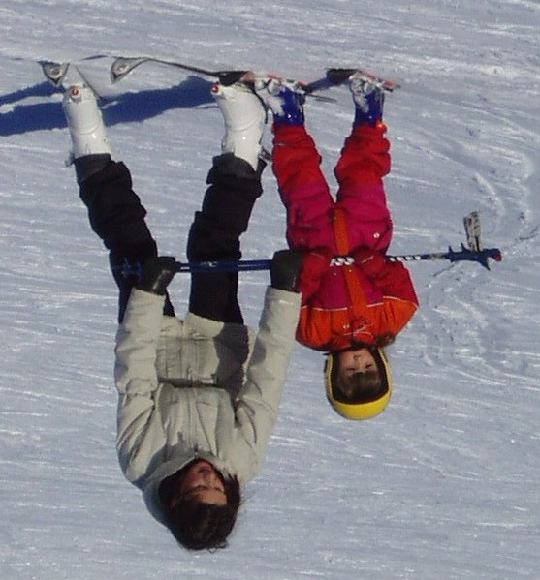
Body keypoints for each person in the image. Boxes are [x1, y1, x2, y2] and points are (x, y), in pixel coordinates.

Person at [61, 74, 302, 550]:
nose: (208, 475)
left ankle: (86, 131)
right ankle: (244, 139)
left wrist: (148, 295)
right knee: (214, 243)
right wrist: (285, 291)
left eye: (197, 487)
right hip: (220, 348)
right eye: (218, 487)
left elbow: (134, 378)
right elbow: (266, 379)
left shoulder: (141, 460)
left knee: (130, 242)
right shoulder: (242, 459)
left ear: (175, 497)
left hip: (154, 349)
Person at [255, 74, 419, 420]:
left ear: (333, 373)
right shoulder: (390, 321)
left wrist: (311, 269)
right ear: (381, 365)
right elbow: (402, 290)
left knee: (300, 181)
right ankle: (370, 113)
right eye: (368, 370)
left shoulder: (312, 333)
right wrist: (373, 265)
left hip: (312, 240)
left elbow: (293, 299)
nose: (359, 363)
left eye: (350, 372)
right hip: (366, 234)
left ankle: (287, 117)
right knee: (363, 174)